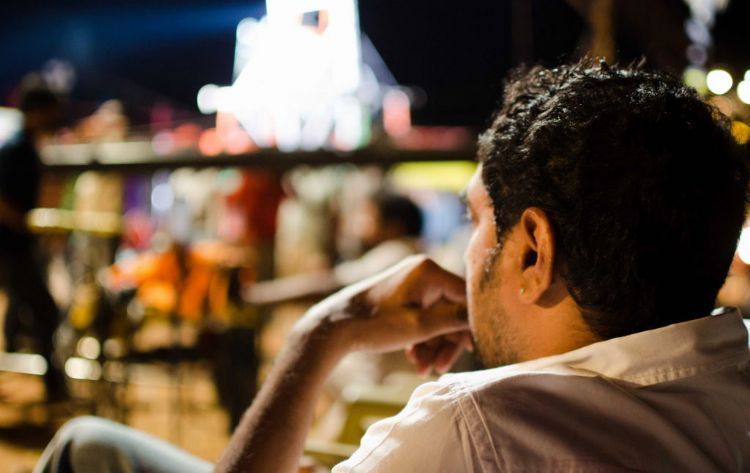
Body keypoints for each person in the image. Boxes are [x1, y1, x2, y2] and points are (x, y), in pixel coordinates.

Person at [34, 58, 750, 472]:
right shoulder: (732, 391)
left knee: (85, 448)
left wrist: (323, 332)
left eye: (476, 221)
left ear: (533, 251)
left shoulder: (467, 430)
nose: (465, 253)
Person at [0, 79, 67, 401]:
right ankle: (52, 383)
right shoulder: (15, 148)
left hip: (17, 245)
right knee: (45, 310)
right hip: (10, 246)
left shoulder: (26, 146)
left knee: (22, 308)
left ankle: (36, 375)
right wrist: (26, 224)